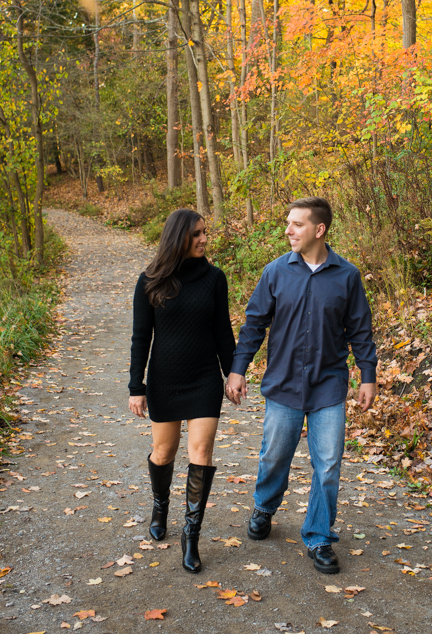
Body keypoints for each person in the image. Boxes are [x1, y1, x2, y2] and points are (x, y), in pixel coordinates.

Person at [226, 197, 377, 575]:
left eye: (296, 224)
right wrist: (238, 369)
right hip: (284, 384)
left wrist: (368, 375)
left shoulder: (347, 276)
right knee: (274, 455)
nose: (288, 231)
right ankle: (264, 506)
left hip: (328, 385)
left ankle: (319, 536)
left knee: (328, 465)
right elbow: (253, 326)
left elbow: (361, 331)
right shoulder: (276, 273)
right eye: (288, 223)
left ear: (319, 230)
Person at [128, 208, 235, 574]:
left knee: (201, 450)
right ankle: (160, 505)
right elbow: (141, 338)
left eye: (205, 232)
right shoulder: (150, 281)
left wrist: (233, 373)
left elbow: (223, 332)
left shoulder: (215, 279)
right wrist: (135, 387)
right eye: (197, 235)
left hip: (204, 378)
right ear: (178, 238)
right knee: (163, 451)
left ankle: (192, 535)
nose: (204, 239)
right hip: (165, 379)